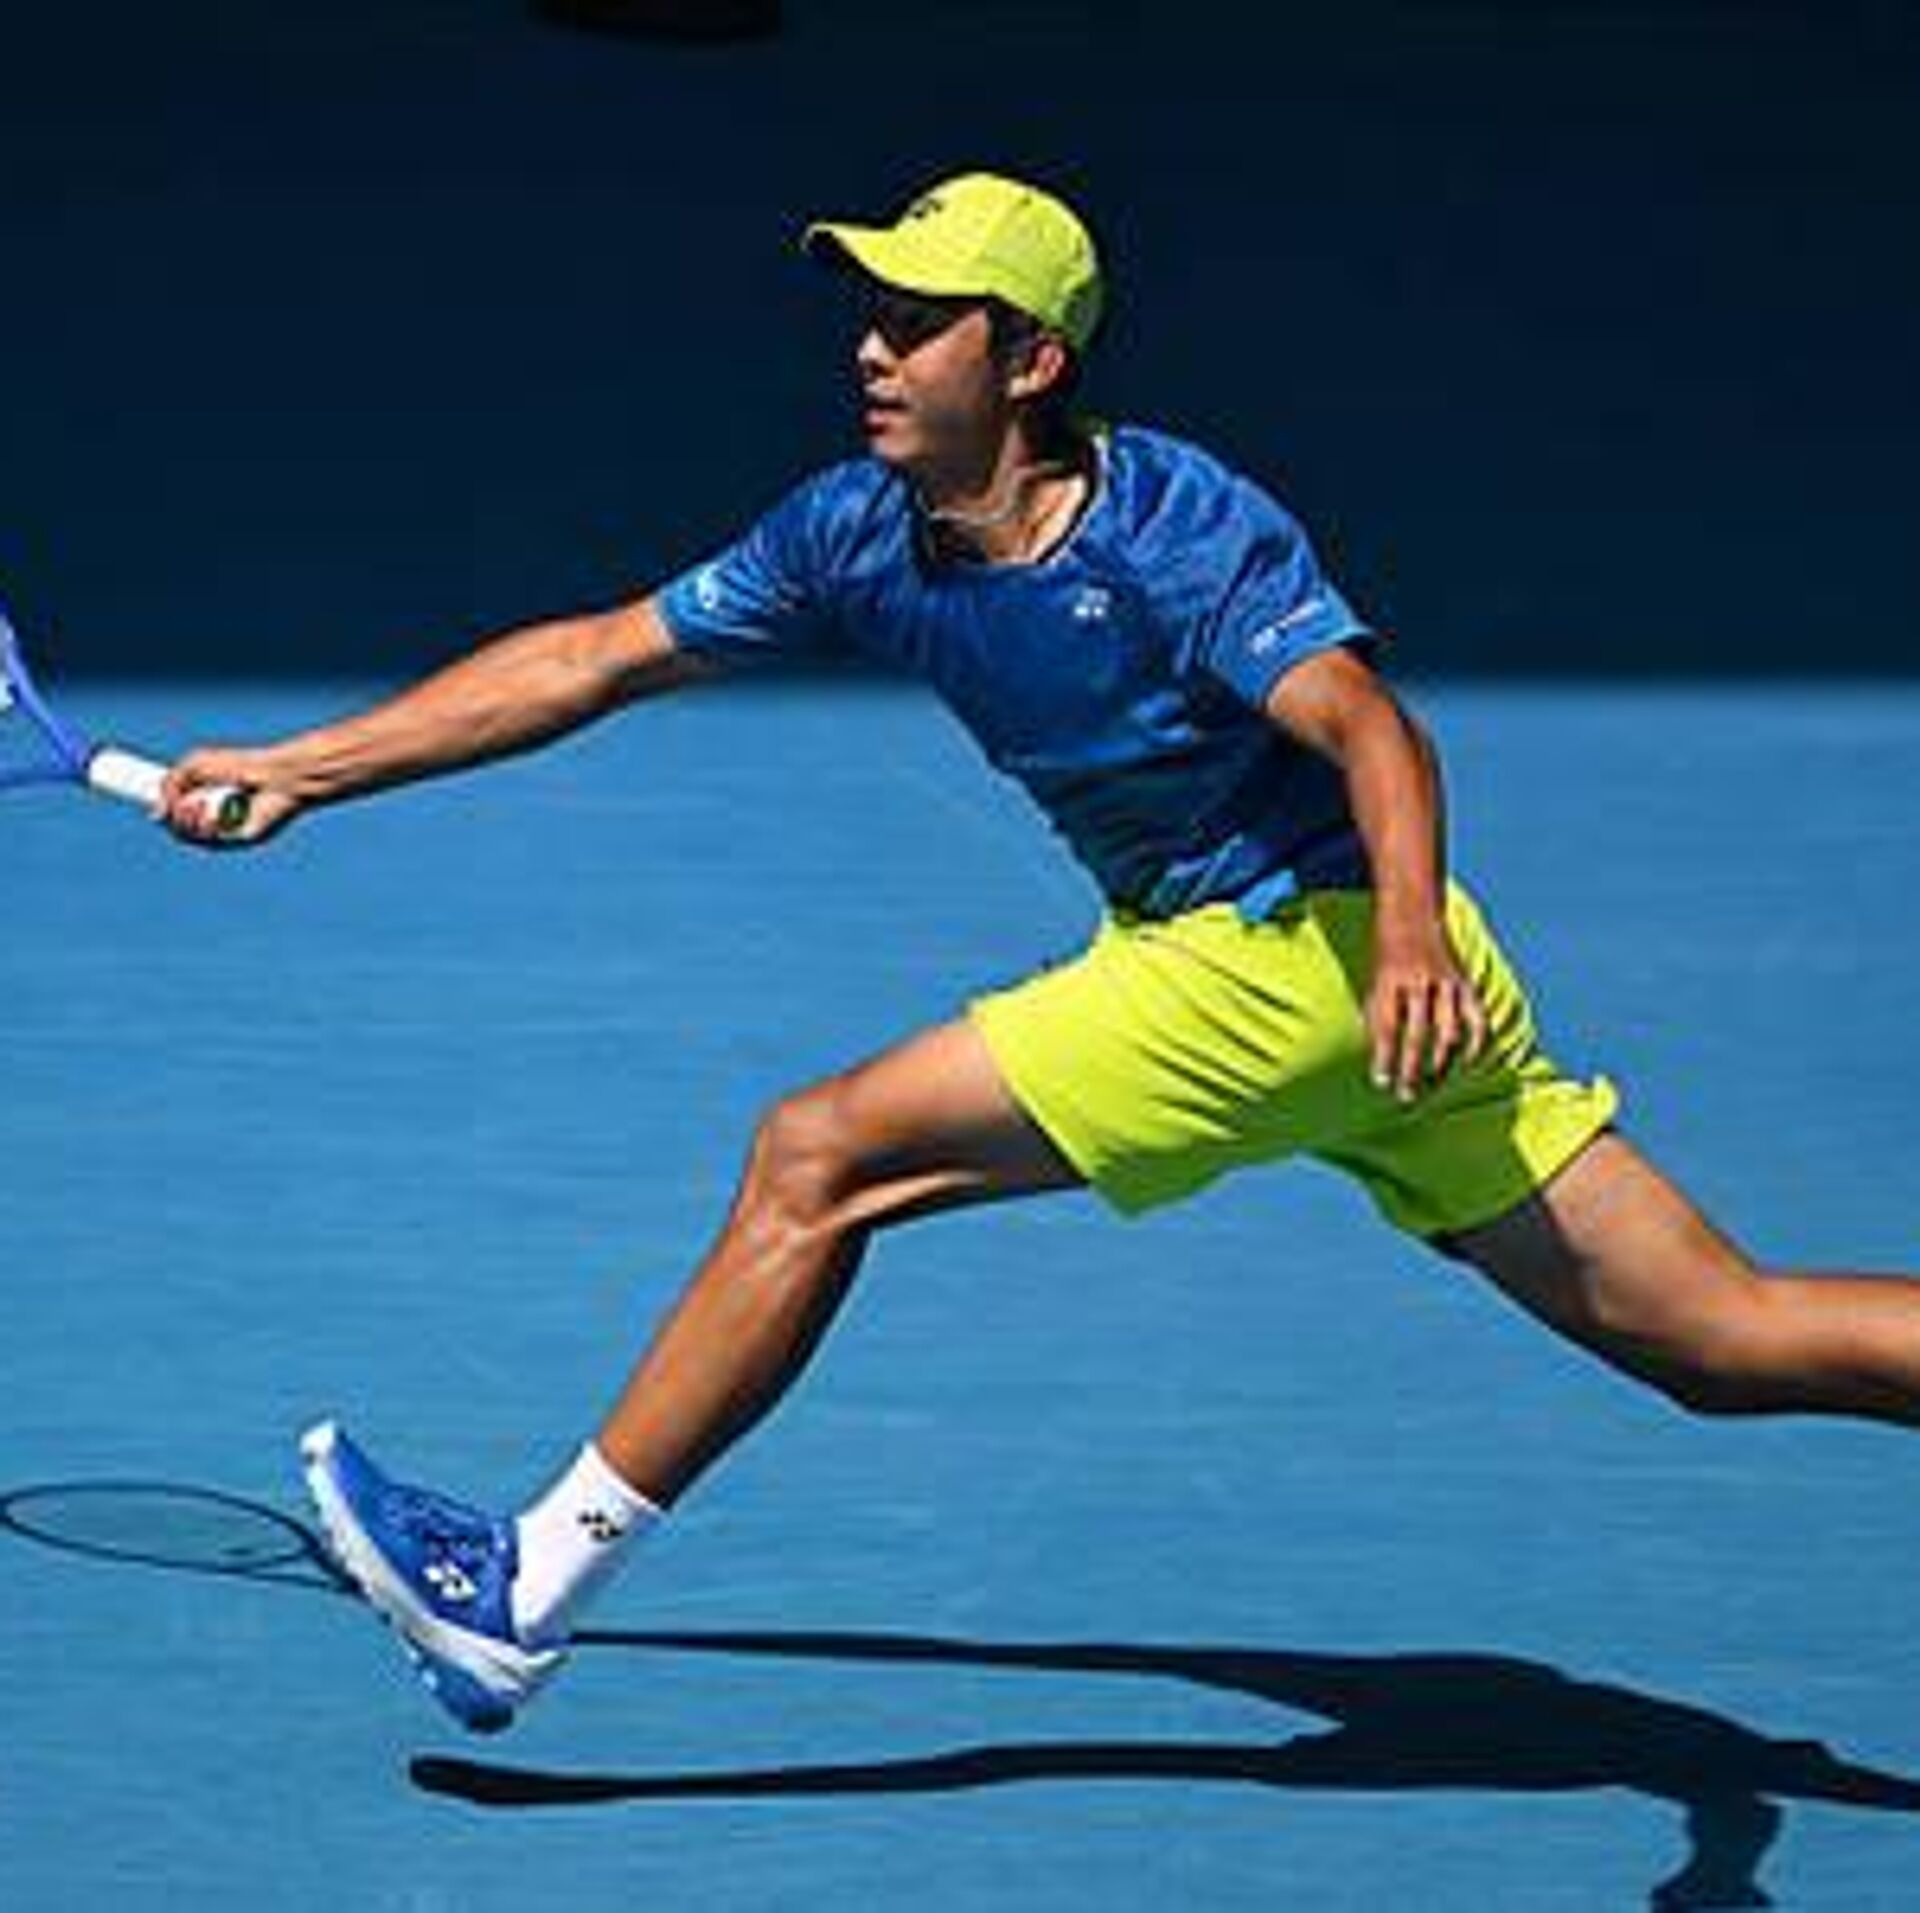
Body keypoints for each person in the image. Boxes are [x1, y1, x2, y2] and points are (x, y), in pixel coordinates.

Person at [164, 172, 1920, 1736]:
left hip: (1304, 962)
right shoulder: (852, 530)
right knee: (1721, 1332)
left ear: (1030, 361)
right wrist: (304, 768)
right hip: (1366, 996)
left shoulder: (1174, 526)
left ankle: (526, 1588)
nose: (873, 349)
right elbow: (593, 658)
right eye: (872, 312)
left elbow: (1370, 728)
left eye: (920, 321)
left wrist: (1400, 941)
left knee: (818, 1156)